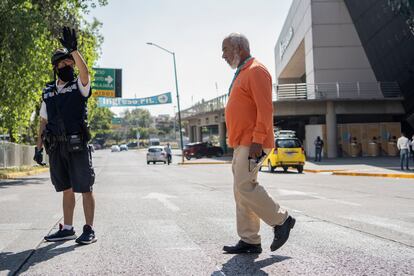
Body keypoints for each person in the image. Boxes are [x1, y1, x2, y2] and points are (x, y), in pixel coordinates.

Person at [221, 33, 295, 254]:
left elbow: (265, 109)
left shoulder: (256, 71)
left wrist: (258, 139)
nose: (222, 55)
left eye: (225, 49)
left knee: (244, 186)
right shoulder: (243, 72)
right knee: (240, 190)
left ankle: (282, 220)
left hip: (252, 142)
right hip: (241, 142)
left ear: (239, 48)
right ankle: (250, 240)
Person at [33, 27, 97, 244]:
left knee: (85, 188)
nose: (68, 65)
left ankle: (88, 229)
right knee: (66, 189)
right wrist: (38, 148)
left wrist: (75, 51)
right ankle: (67, 228)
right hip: (57, 148)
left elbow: (85, 73)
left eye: (70, 62)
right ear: (56, 67)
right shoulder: (48, 91)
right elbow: (43, 122)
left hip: (77, 144)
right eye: (63, 63)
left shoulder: (79, 86)